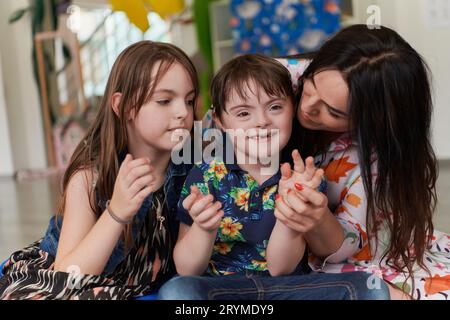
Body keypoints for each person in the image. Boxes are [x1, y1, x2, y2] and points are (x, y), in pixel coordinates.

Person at [157, 54, 390, 300]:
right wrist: (204, 228)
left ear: (292, 109)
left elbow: (281, 269)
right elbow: (186, 269)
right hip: (224, 292)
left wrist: (290, 212)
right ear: (220, 121)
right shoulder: (205, 174)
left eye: (275, 107)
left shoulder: (303, 178)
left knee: (370, 288)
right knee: (177, 291)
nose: (262, 121)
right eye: (244, 113)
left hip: (289, 290)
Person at [0, 41, 198, 300]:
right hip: (74, 276)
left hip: (135, 286)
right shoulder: (89, 176)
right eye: (164, 101)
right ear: (124, 106)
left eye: (190, 100)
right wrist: (116, 213)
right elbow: (67, 276)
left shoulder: (195, 170)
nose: (183, 112)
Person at [274, 24, 450, 300]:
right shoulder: (274, 78)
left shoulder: (374, 158)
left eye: (333, 111)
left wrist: (318, 220)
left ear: (368, 122)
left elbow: (347, 243)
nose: (308, 107)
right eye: (310, 89)